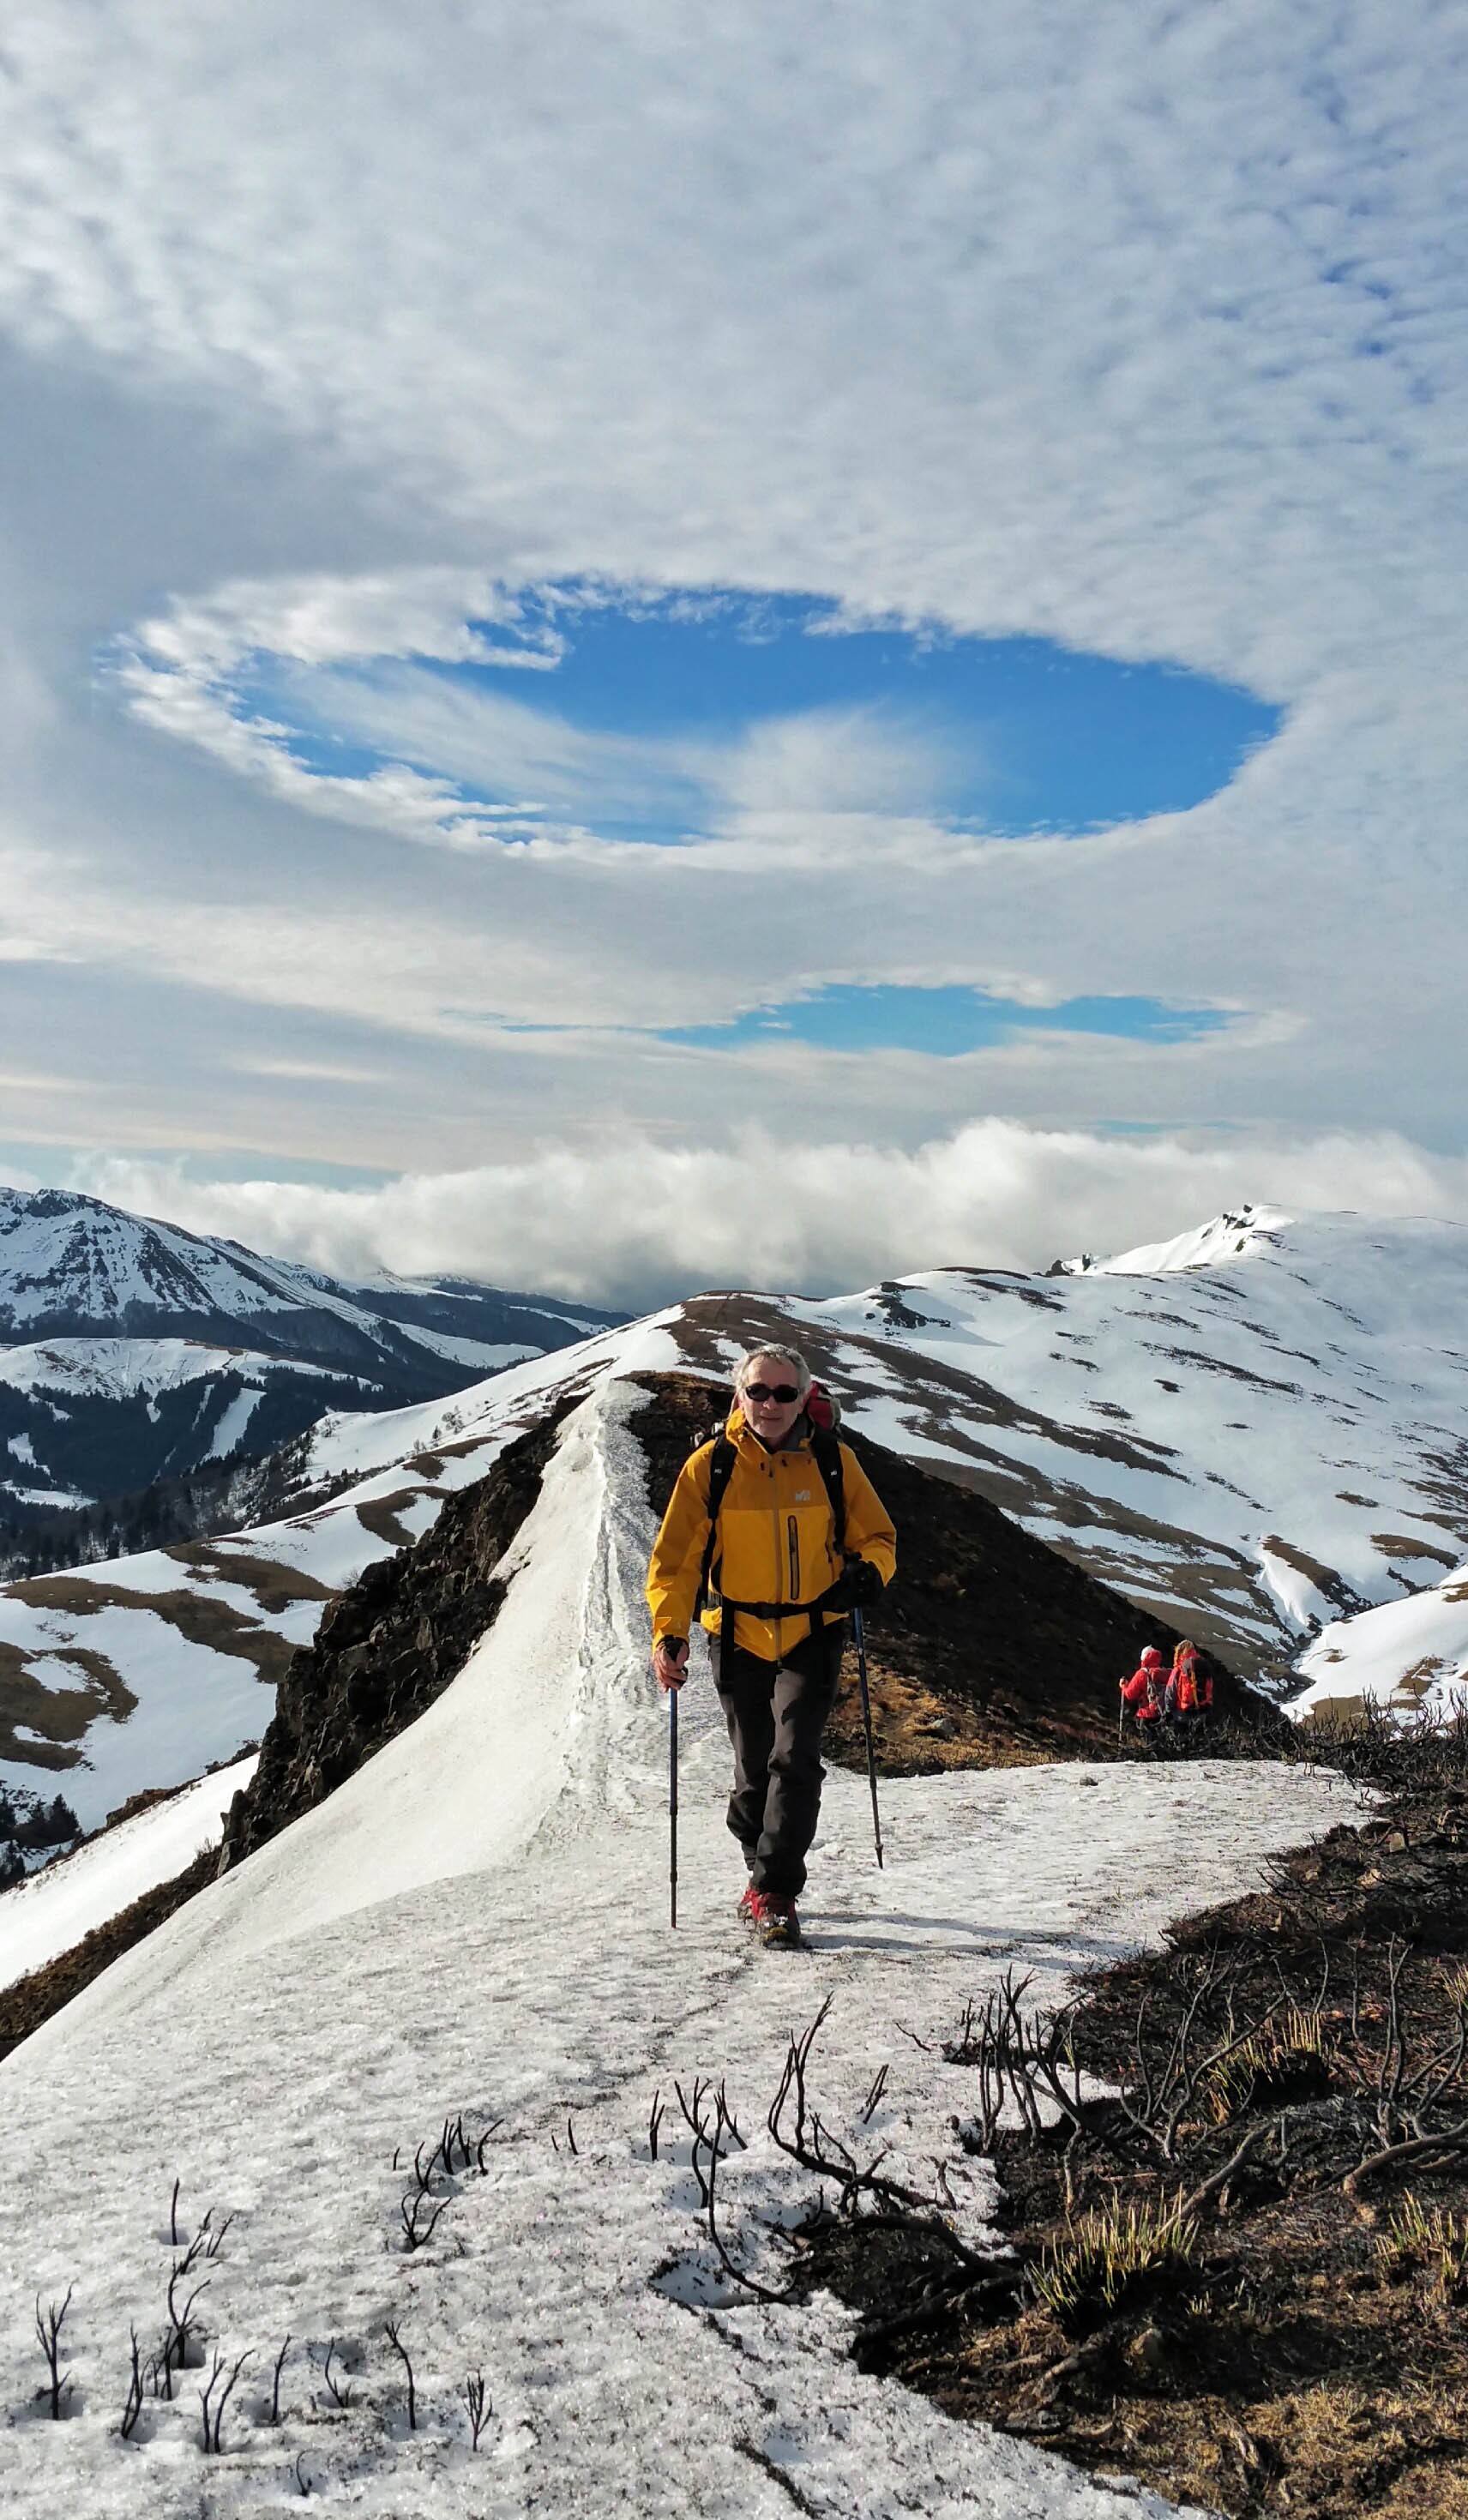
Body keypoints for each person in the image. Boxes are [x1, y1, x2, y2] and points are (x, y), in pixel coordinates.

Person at [647, 1345, 896, 1947]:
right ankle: (757, 1863)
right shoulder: (712, 1466)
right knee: (752, 1770)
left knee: (797, 1757)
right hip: (736, 1635)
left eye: (785, 1393)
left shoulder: (833, 1461)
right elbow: (677, 1563)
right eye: (759, 1391)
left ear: (804, 1397)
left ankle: (776, 1890)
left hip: (815, 1630)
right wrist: (669, 1633)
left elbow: (878, 1535)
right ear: (740, 1395)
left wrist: (872, 1571)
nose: (771, 1403)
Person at [1120, 1645, 1166, 1738]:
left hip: (1148, 1713)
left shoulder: (1142, 1674)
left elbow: (1130, 1694)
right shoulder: (1163, 1672)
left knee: (1149, 1740)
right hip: (1164, 1712)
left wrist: (1124, 1687)